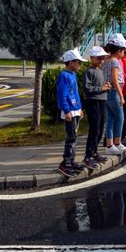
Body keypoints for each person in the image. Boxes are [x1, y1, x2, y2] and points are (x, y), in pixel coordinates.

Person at [56, 48, 87, 177]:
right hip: (69, 111)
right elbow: (62, 95)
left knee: (74, 137)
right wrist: (67, 110)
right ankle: (66, 163)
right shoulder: (64, 76)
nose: (80, 65)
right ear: (70, 63)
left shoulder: (73, 75)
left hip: (75, 110)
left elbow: (75, 93)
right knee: (70, 138)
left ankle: (72, 161)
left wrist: (79, 108)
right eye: (78, 62)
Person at [82, 46, 111, 171]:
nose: (101, 61)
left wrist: (106, 86)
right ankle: (88, 155)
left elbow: (100, 86)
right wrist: (101, 88)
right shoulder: (88, 71)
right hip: (93, 102)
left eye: (103, 58)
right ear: (92, 58)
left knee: (99, 129)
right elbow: (87, 88)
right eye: (99, 58)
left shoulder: (99, 71)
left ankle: (94, 151)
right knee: (94, 129)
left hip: (101, 101)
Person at [103, 34, 126, 155]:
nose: (124, 53)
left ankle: (110, 144)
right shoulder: (115, 62)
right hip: (114, 92)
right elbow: (115, 79)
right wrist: (121, 96)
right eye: (123, 50)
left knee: (110, 119)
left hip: (107, 92)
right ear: (118, 51)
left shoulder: (105, 60)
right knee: (120, 118)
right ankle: (117, 142)